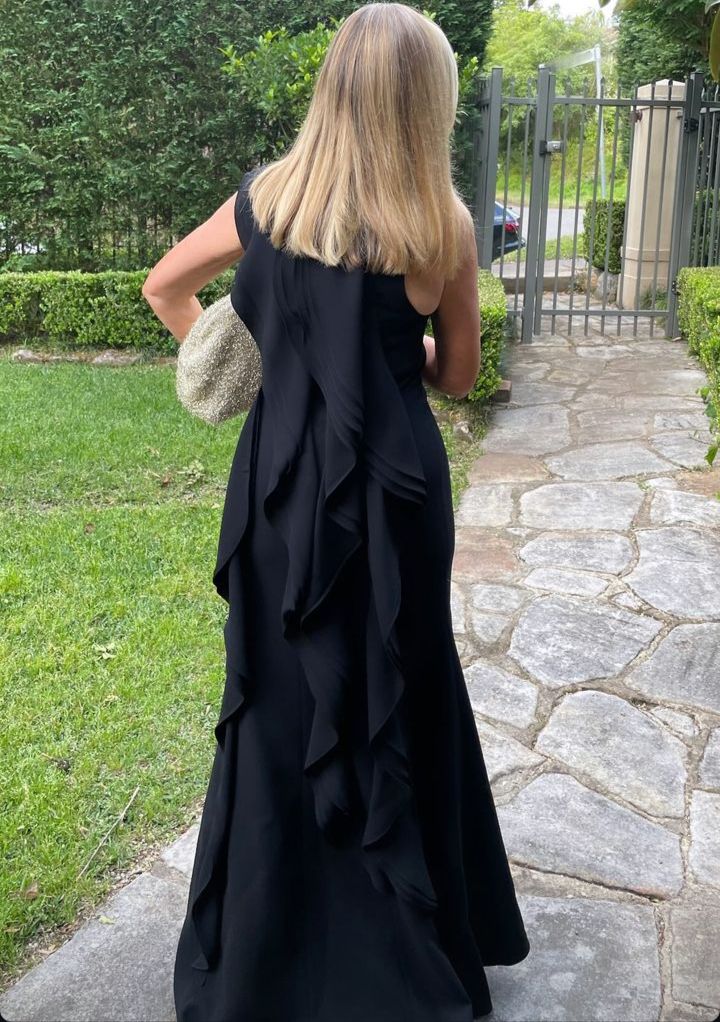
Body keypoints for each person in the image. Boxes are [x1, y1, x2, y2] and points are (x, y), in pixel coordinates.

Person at [142, 4, 530, 1019]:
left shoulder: (265, 201)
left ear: (333, 88)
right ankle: (413, 945)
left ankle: (267, 956)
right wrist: (395, 350)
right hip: (396, 503)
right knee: (404, 689)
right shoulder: (442, 226)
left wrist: (264, 354)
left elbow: (164, 288)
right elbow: (458, 376)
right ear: (428, 103)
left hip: (279, 491)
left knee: (279, 705)